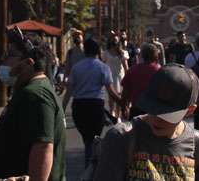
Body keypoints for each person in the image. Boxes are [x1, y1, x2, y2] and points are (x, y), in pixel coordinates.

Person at [92, 63, 199, 180]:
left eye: (168, 115)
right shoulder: (121, 138)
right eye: (154, 109)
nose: (157, 119)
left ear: (189, 111)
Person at [0, 30, 66, 181]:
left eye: (9, 55)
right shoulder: (28, 90)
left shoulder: (35, 95)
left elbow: (43, 147)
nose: (2, 59)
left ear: (28, 63)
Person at [61, 37, 118, 169]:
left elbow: (69, 91)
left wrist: (62, 109)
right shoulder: (103, 67)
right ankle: (92, 168)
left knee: (88, 139)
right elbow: (111, 92)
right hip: (96, 107)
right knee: (93, 140)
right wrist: (123, 103)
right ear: (98, 50)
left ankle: (90, 167)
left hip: (79, 107)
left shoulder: (76, 68)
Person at [119, 43, 161, 119]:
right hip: (153, 111)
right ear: (156, 58)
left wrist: (123, 107)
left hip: (136, 110)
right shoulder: (159, 72)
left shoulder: (132, 70)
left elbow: (125, 92)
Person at [102, 36, 128, 120]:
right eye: (113, 40)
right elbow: (103, 64)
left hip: (119, 75)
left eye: (116, 40)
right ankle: (112, 112)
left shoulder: (122, 53)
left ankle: (119, 115)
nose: (114, 42)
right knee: (111, 95)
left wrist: (128, 76)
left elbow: (125, 66)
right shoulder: (106, 53)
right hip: (110, 75)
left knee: (119, 96)